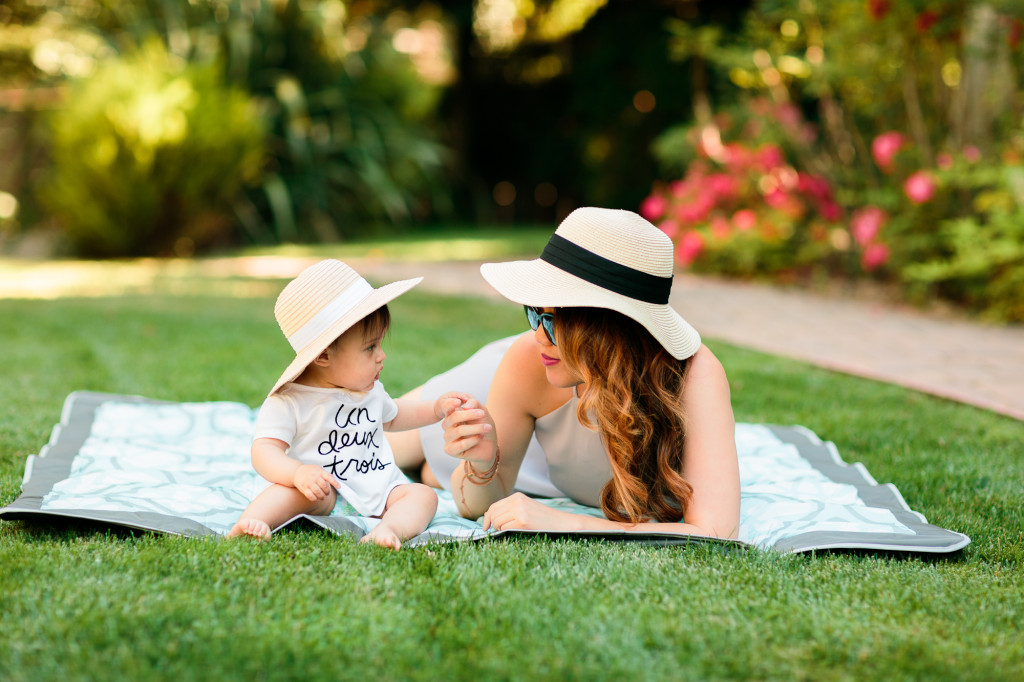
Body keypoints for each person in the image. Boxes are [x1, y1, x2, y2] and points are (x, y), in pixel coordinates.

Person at [388, 207, 740, 539]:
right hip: (505, 385)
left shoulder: (694, 376)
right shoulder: (530, 355)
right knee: (368, 439)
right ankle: (434, 465)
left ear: (611, 330)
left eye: (555, 322)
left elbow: (716, 530)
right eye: (534, 313)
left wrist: (566, 522)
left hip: (548, 456)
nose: (539, 334)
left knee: (433, 469)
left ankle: (434, 470)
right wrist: (483, 465)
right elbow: (477, 507)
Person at [228, 259, 468, 549]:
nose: (381, 356)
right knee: (285, 492)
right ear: (324, 356)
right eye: (370, 347)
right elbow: (264, 451)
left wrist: (435, 409)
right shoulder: (290, 402)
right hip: (321, 491)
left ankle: (389, 529)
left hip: (379, 489)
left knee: (423, 496)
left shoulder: (369, 391)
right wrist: (297, 473)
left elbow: (395, 415)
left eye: (379, 345)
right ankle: (253, 521)